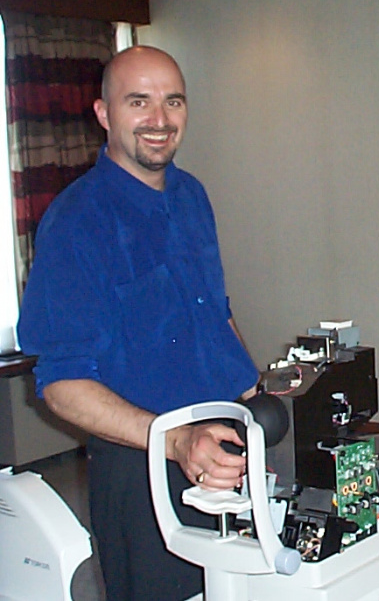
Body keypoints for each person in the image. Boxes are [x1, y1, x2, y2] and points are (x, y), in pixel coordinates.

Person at [17, 46, 260, 601]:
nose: (159, 119)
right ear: (104, 113)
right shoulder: (77, 223)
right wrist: (175, 442)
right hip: (143, 469)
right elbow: (61, 383)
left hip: (225, 449)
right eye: (139, 101)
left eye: (172, 101)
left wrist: (254, 393)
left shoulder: (192, 195)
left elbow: (214, 310)